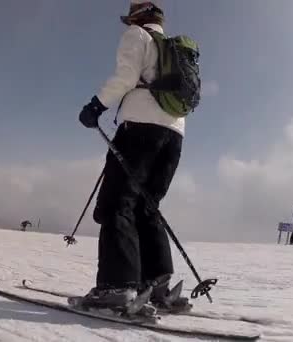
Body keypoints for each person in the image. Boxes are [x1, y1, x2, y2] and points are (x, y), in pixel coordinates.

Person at [77, 0, 191, 312]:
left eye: (131, 18)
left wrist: (96, 106)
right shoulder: (173, 48)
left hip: (140, 128)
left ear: (138, 17)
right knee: (146, 206)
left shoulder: (137, 36)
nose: (128, 24)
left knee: (117, 203)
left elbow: (126, 77)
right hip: (175, 135)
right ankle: (156, 284)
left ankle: (117, 287)